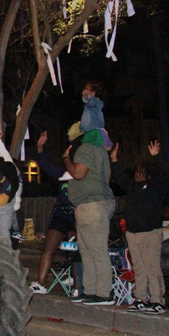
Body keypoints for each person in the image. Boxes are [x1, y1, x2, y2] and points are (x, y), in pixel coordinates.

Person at [110, 141, 169, 315]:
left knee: (152, 267)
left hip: (150, 232)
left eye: (139, 172)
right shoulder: (133, 187)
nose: (136, 174)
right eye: (136, 171)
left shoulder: (156, 187)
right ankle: (141, 298)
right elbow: (119, 178)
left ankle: (158, 300)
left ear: (148, 174)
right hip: (133, 233)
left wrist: (156, 156)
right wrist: (114, 160)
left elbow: (165, 174)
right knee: (138, 266)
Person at [62, 128, 115, 306]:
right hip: (91, 204)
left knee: (97, 250)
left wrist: (66, 160)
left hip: (92, 205)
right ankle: (91, 291)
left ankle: (103, 293)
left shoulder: (86, 149)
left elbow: (78, 173)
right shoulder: (99, 151)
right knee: (87, 250)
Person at [29, 129, 80, 295]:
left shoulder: (85, 176)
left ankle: (78, 286)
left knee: (75, 251)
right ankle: (41, 283)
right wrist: (40, 148)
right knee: (48, 247)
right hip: (61, 214)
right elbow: (45, 165)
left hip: (78, 216)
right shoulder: (63, 173)